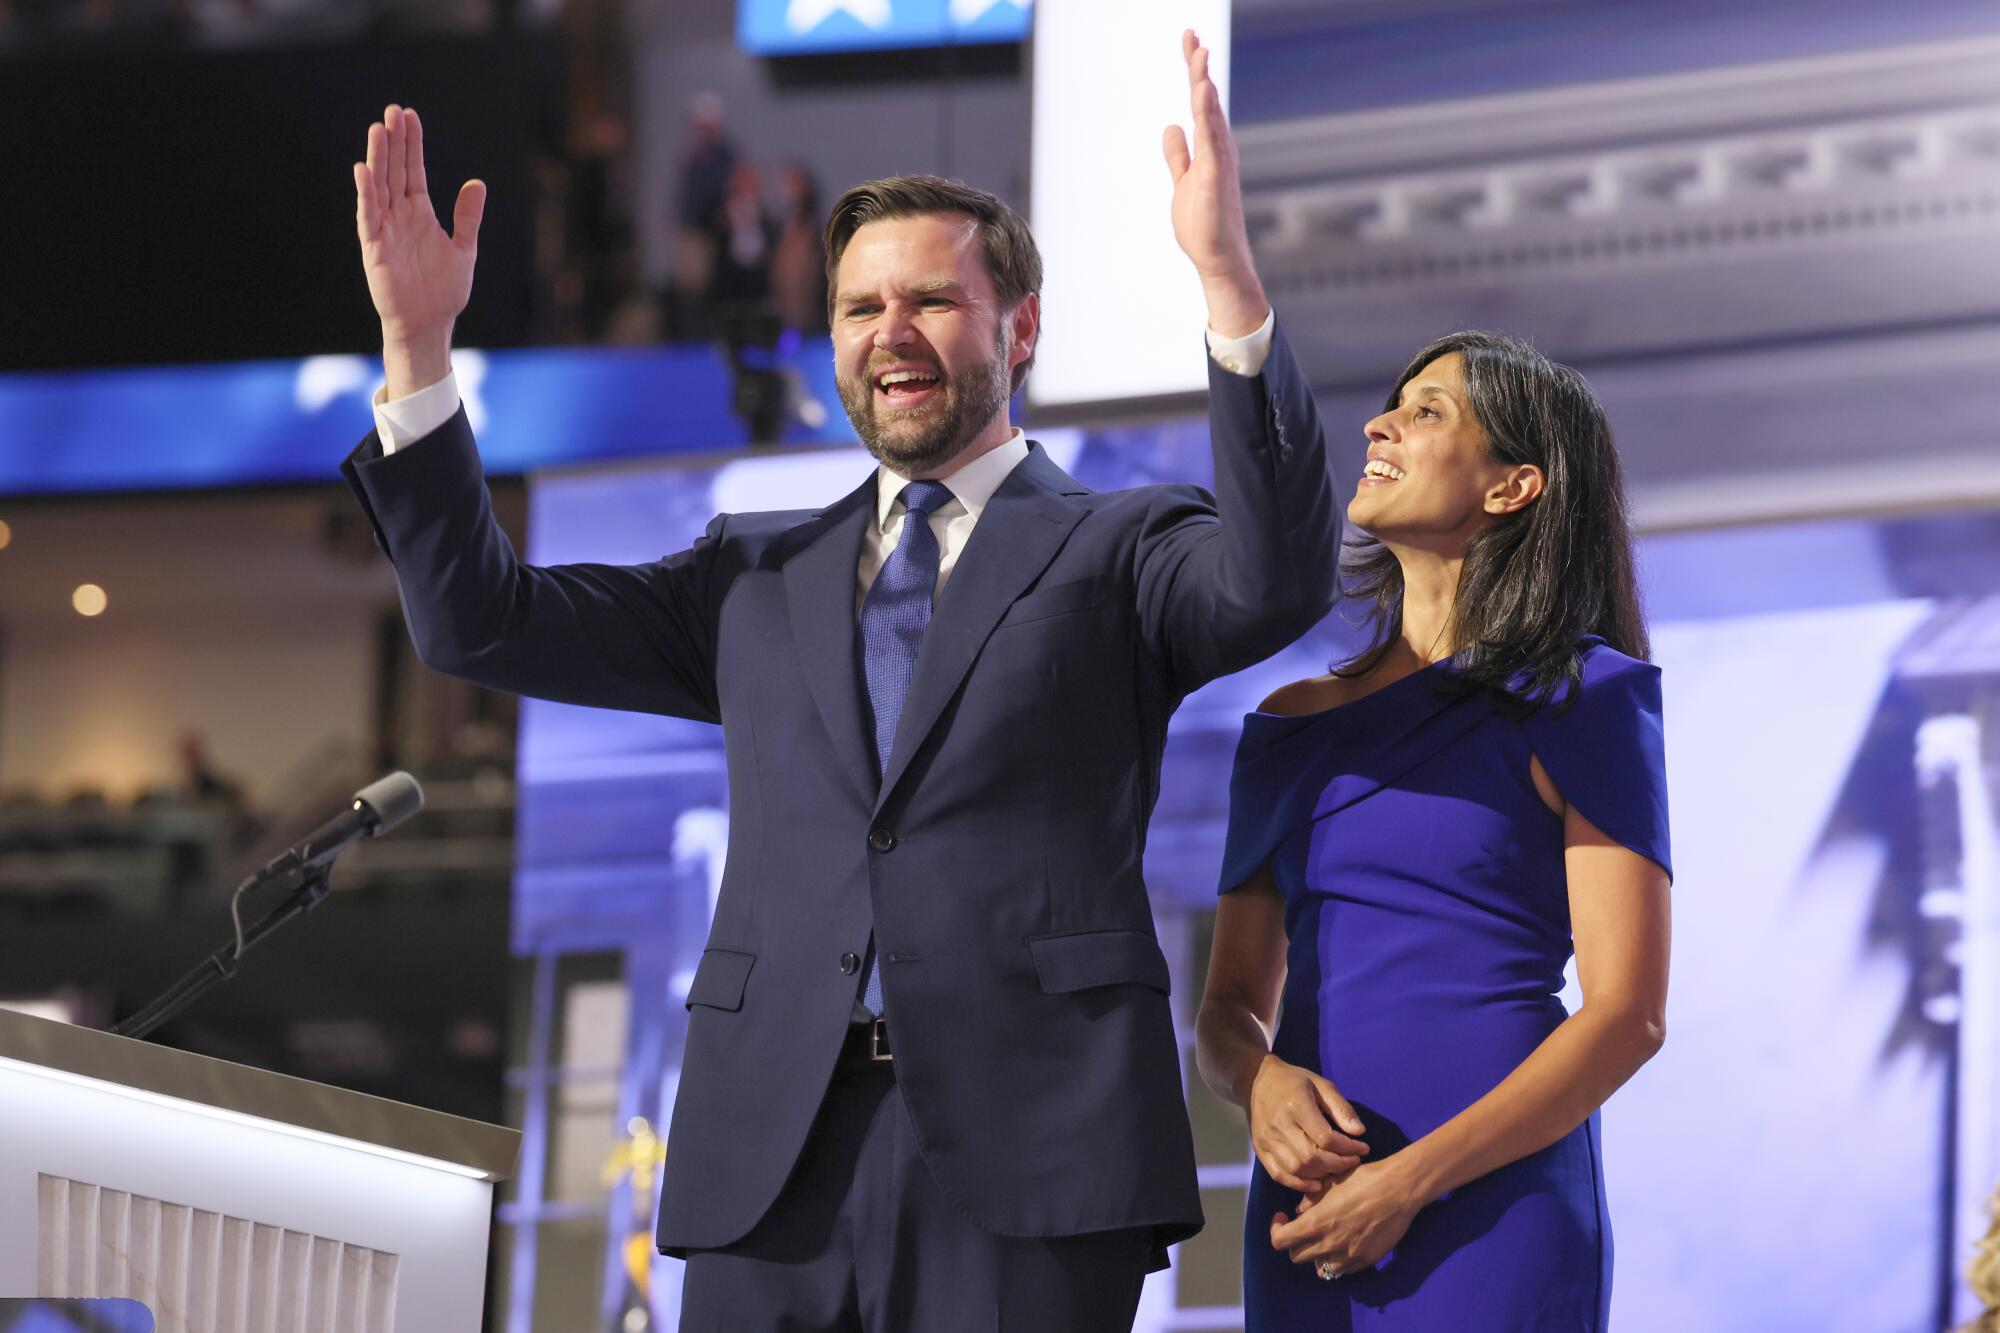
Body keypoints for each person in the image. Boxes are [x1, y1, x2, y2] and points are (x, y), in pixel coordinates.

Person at [346, 31, 1340, 1332]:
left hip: (1029, 1155)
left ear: (1020, 326)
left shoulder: (1120, 547)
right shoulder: (753, 574)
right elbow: (484, 624)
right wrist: (419, 357)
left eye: (931, 299)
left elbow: (1276, 579)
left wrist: (1227, 287)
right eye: (862, 308)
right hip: (774, 1160)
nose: (893, 334)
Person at [1195, 331, 1672, 1330]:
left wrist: (1408, 1181)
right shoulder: (1287, 722)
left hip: (1491, 1211)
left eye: (1427, 411)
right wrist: (1261, 1080)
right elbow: (1229, 1006)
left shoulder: (1585, 696)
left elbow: (1624, 1013)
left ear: (1511, 487)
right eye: (1391, 403)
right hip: (1309, 1210)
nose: (1378, 424)